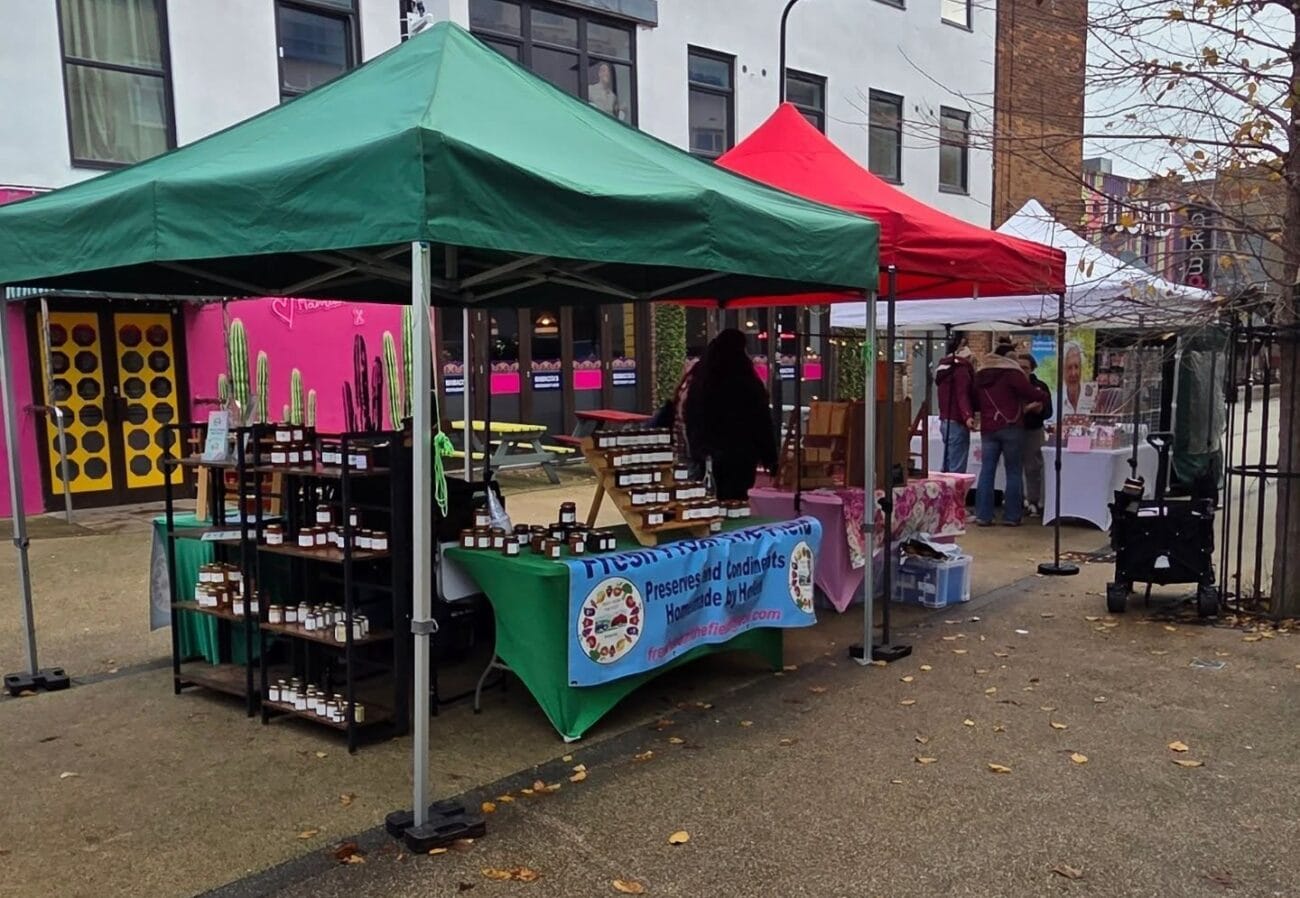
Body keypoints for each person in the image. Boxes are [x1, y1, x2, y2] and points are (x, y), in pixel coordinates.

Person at [682, 328, 778, 500]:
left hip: (709, 453)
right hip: (742, 453)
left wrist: (697, 449)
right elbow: (762, 420)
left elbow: (691, 415)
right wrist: (770, 456)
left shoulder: (703, 378)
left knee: (711, 497)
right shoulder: (747, 379)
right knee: (737, 500)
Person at [973, 339, 1049, 526]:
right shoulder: (1012, 373)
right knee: (1013, 471)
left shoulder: (981, 374)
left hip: (989, 428)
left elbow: (974, 400)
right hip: (1012, 426)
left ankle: (983, 515)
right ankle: (1012, 516)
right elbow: (1031, 393)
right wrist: (1042, 395)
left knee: (987, 471)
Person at [934, 333, 977, 473]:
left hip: (945, 421)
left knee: (947, 463)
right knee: (956, 469)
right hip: (957, 421)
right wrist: (968, 416)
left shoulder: (944, 370)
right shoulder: (961, 371)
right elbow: (962, 394)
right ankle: (955, 495)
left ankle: (944, 493)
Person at [1018, 352, 1053, 517]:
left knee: (1033, 467)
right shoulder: (1012, 385)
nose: (1022, 370)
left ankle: (1033, 501)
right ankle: (1017, 499)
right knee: (1014, 468)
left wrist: (1036, 410)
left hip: (1033, 430)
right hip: (1014, 431)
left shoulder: (1040, 386)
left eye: (1025, 367)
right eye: (1019, 367)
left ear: (1032, 369)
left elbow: (1048, 411)